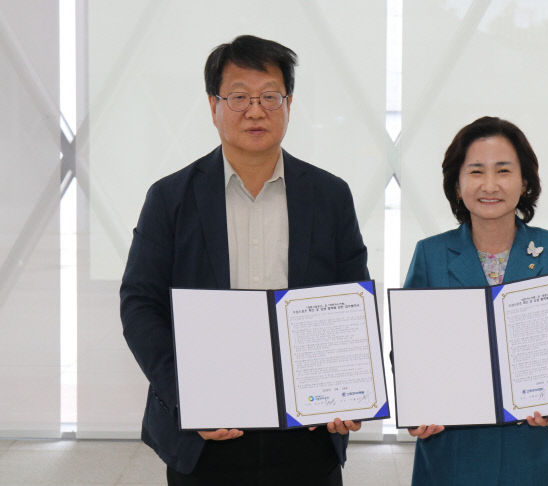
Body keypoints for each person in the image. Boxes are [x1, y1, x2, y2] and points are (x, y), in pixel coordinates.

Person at [120, 34, 367, 486]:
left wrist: (348, 392)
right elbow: (140, 305)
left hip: (306, 434)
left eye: (270, 96)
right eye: (239, 97)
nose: (256, 110)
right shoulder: (170, 198)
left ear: (289, 104)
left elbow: (351, 301)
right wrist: (188, 397)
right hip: (205, 436)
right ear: (213, 105)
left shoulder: (330, 196)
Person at [403, 116, 548, 485]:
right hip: (455, 448)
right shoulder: (430, 254)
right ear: (457, 185)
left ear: (524, 183)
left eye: (503, 170)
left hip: (538, 448)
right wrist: (417, 407)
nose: (489, 185)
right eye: (476, 171)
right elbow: (410, 346)